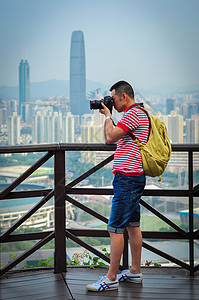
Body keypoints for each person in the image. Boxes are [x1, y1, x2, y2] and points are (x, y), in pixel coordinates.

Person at [86, 80, 149, 292]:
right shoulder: (135, 113)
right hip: (131, 178)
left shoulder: (133, 114)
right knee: (132, 225)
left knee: (114, 228)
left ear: (123, 96)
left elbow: (109, 138)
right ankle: (134, 271)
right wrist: (111, 116)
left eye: (112, 98)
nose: (110, 102)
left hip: (128, 179)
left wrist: (107, 116)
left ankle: (111, 278)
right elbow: (115, 139)